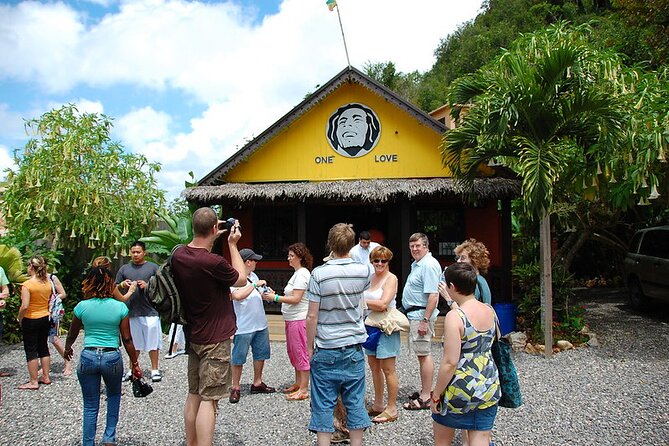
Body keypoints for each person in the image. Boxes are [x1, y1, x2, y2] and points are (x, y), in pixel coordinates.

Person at [171, 207, 246, 446]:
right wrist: (233, 245)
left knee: (194, 392)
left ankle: (191, 443)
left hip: (194, 334)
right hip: (215, 338)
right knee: (210, 398)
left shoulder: (178, 256)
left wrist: (210, 229)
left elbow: (196, 240)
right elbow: (241, 278)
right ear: (215, 229)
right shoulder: (213, 262)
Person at [64, 258, 143, 446]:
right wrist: (135, 362)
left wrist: (68, 348)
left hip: (88, 355)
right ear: (110, 284)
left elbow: (73, 332)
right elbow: (127, 339)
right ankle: (109, 438)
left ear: (90, 283)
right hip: (111, 356)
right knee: (114, 396)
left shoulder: (82, 306)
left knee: (90, 405)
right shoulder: (120, 307)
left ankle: (88, 442)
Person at [306, 223, 371, 446]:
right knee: (355, 402)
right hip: (353, 346)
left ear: (330, 244)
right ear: (352, 245)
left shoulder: (319, 274)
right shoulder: (363, 271)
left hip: (326, 345)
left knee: (323, 403)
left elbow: (312, 316)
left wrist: (308, 346)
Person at [432, 262, 500, 446]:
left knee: (443, 440)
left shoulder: (455, 317)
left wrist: (436, 394)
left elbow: (450, 362)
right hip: (488, 383)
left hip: (460, 387)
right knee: (480, 438)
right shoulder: (490, 310)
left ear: (452, 287)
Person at [262, 242, 313, 401]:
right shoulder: (297, 273)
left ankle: (304, 388)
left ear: (300, 257)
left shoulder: (303, 274)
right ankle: (298, 382)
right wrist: (274, 294)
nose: (288, 258)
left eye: (291, 255)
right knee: (293, 351)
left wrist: (275, 298)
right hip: (291, 318)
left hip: (299, 318)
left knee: (300, 351)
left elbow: (296, 298)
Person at [228, 248, 276, 403]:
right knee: (238, 358)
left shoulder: (253, 276)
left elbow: (258, 293)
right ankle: (235, 387)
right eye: (254, 260)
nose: (256, 263)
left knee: (261, 354)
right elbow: (237, 296)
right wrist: (255, 285)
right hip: (243, 326)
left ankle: (257, 382)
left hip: (260, 324)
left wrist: (268, 295)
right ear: (247, 262)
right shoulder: (235, 279)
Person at [401, 232, 441, 410]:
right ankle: (425, 389)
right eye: (412, 247)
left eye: (418, 246)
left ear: (426, 246)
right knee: (421, 354)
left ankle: (426, 396)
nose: (415, 249)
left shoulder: (429, 265)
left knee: (424, 354)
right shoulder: (418, 264)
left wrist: (425, 319)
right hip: (415, 314)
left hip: (421, 315)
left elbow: (433, 295)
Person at [115, 241, 162, 382]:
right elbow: (115, 286)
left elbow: (162, 285)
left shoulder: (153, 267)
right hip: (131, 311)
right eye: (133, 252)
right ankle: (132, 369)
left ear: (144, 253)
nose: (135, 254)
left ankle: (155, 369)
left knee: (153, 342)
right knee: (132, 342)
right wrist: (123, 284)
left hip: (150, 310)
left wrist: (147, 286)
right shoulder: (124, 269)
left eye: (138, 252)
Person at [364, 245, 400, 424]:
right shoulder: (370, 278)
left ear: (388, 262)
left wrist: (360, 301)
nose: (379, 263)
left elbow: (383, 304)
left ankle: (392, 407)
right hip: (370, 325)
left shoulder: (391, 278)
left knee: (388, 368)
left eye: (383, 260)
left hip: (386, 326)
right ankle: (378, 404)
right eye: (376, 260)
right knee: (374, 366)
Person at [17, 256, 53, 389]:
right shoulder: (47, 283)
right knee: (43, 346)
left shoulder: (28, 285)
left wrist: (19, 318)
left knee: (31, 349)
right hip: (45, 316)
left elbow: (25, 305)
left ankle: (33, 381)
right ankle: (46, 376)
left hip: (32, 318)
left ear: (31, 267)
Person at [46, 272, 72, 376]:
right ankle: (45, 366)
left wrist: (52, 300)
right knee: (41, 339)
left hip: (51, 312)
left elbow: (63, 293)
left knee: (54, 339)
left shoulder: (52, 278)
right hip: (39, 311)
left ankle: (67, 362)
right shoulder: (33, 278)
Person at [454, 239, 492, 304]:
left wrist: (449, 300)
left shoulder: (475, 282)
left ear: (475, 260)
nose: (458, 261)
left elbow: (466, 310)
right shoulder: (478, 280)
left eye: (463, 258)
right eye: (458, 258)